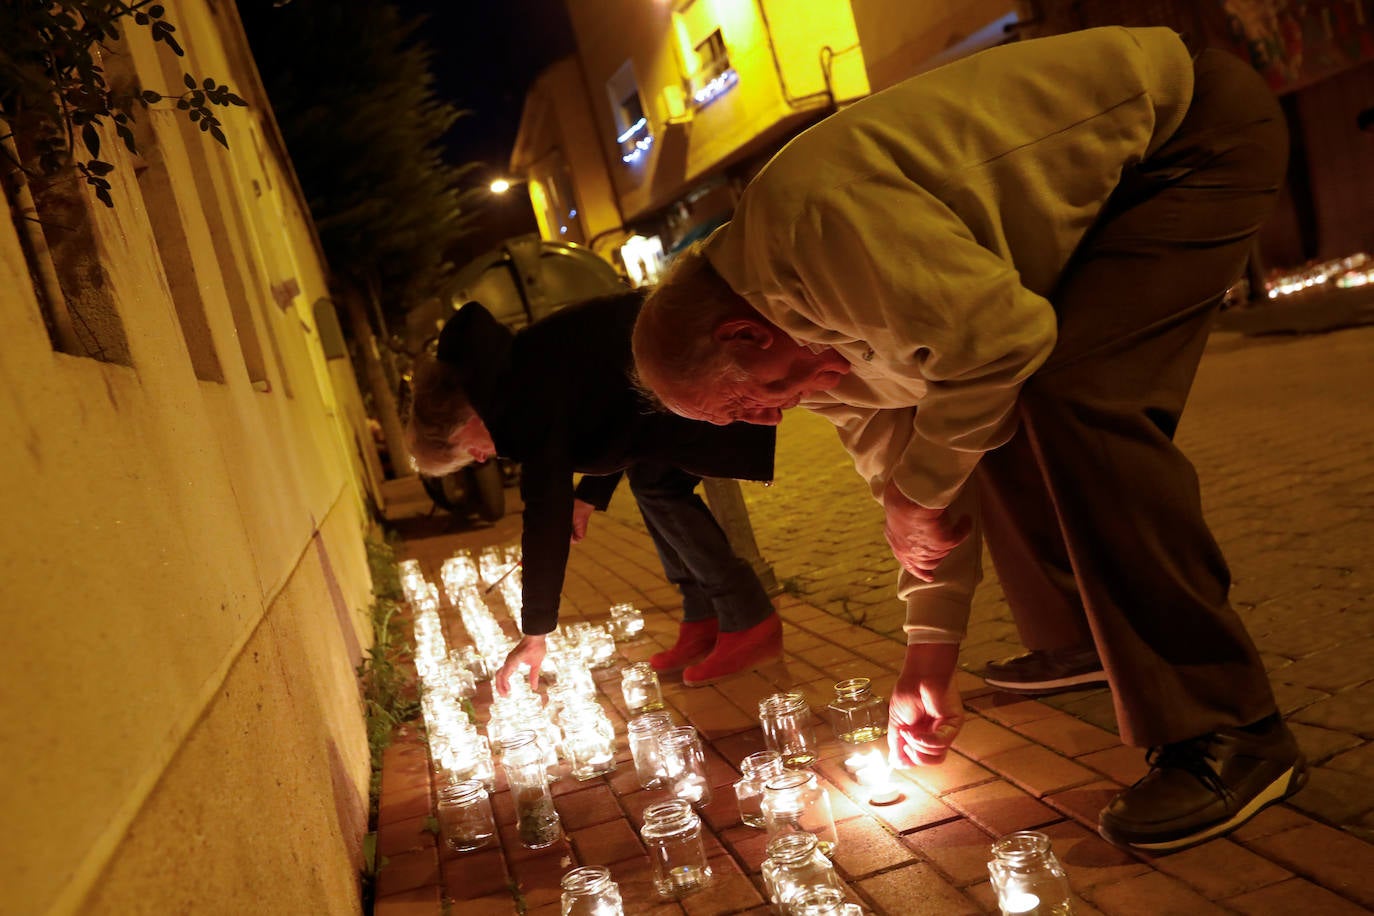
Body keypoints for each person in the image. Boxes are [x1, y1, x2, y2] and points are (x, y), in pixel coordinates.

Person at [631, 26, 1306, 852]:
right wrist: (928, 660)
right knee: (984, 419)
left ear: (744, 335)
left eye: (748, 407)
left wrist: (919, 491)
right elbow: (916, 499)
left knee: (1072, 397)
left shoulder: (812, 230)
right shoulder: (817, 358)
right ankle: (1086, 637)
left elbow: (1003, 344)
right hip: (1129, 179)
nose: (772, 422)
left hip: (1188, 133)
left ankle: (1237, 732)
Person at [406, 292, 782, 694]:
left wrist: (535, 633)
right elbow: (613, 420)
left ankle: (748, 618)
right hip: (674, 381)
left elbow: (544, 514)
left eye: (467, 452)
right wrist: (587, 498)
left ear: (461, 419)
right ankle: (703, 613)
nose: (481, 459)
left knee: (659, 485)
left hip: (706, 365)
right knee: (651, 481)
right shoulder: (513, 375)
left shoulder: (518, 402)